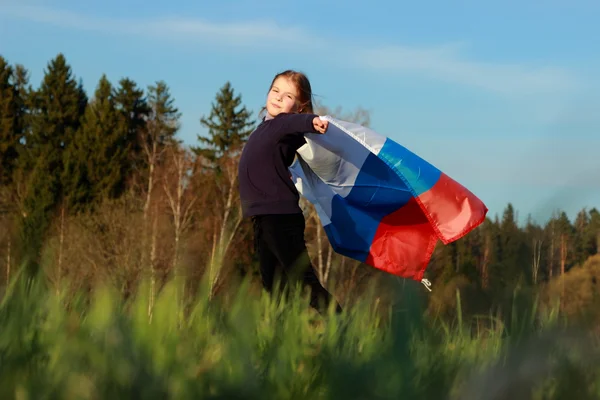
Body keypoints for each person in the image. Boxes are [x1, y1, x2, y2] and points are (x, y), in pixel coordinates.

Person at [238, 70, 342, 314]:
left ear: (299, 106)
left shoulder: (284, 125)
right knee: (273, 287)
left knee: (304, 284)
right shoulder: (267, 128)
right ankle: (280, 339)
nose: (277, 98)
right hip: (264, 218)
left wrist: (311, 121)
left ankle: (342, 324)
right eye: (275, 91)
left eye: (287, 96)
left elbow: (295, 123)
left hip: (280, 217)